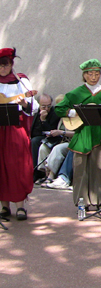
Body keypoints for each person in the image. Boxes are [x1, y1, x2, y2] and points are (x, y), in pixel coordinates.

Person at [54, 59, 101, 209]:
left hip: (100, 133)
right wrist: (75, 112)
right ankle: (82, 202)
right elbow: (59, 108)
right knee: (81, 169)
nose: (94, 77)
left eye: (97, 74)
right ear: (84, 75)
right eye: (90, 74)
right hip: (82, 133)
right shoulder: (76, 92)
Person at [0, 48, 37, 221]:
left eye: (5, 65)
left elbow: (34, 107)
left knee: (17, 166)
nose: (2, 69)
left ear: (11, 64)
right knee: (1, 167)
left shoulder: (21, 81)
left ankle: (20, 206)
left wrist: (24, 104)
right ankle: (4, 206)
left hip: (15, 130)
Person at [30, 93, 60, 182]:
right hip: (36, 136)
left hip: (48, 138)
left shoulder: (54, 113)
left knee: (35, 142)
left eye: (49, 106)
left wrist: (43, 120)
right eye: (43, 106)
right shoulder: (35, 111)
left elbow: (50, 131)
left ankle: (37, 172)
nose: (46, 109)